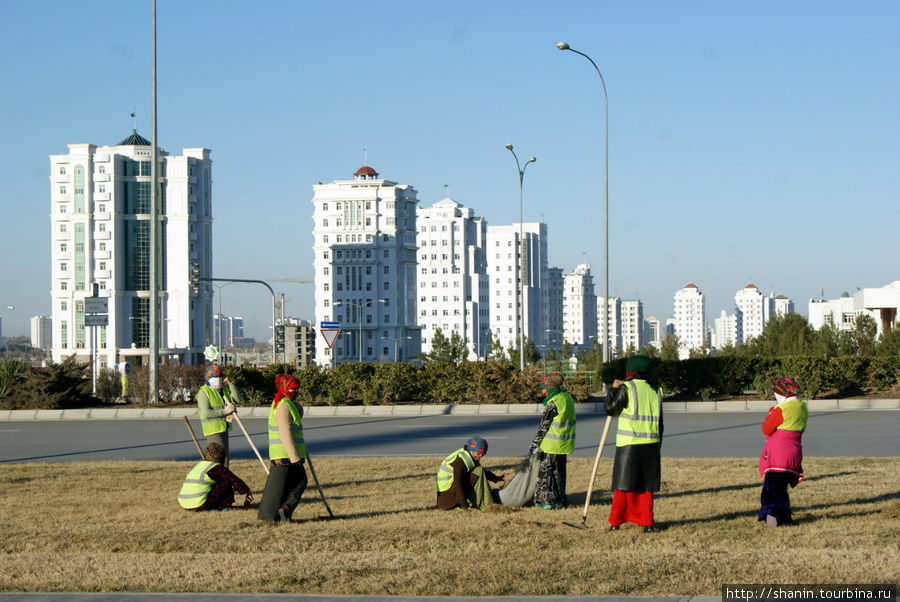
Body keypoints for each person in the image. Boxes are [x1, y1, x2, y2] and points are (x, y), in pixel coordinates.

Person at [604, 355, 663, 532]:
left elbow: (610, 409)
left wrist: (612, 390)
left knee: (624, 486)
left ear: (630, 372)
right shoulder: (657, 389)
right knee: (646, 487)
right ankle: (647, 523)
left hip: (629, 443)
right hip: (651, 442)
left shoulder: (626, 388)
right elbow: (660, 421)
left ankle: (616, 522)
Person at [758, 377, 808, 527]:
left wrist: (771, 413)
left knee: (772, 490)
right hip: (794, 452)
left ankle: (774, 520)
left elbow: (766, 428)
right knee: (782, 489)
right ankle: (785, 519)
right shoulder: (802, 408)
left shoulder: (782, 409)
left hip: (778, 454)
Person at [258, 373, 308, 522]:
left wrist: (297, 406)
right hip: (285, 455)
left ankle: (284, 512)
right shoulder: (283, 407)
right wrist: (295, 458)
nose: (295, 392)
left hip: (288, 455)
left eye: (297, 389)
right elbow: (285, 434)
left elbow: (297, 416)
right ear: (284, 388)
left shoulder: (286, 404)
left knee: (295, 484)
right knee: (296, 483)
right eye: (292, 389)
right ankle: (279, 513)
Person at [529, 371, 576, 509]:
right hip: (563, 444)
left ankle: (548, 502)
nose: (543, 391)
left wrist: (534, 444)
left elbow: (544, 426)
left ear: (551, 387)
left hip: (551, 445)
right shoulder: (567, 398)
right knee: (560, 475)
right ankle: (561, 500)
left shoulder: (553, 403)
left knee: (547, 476)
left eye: (545, 387)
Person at [178, 442, 252, 512]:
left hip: (185, 504)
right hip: (199, 505)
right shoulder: (216, 468)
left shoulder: (200, 465)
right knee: (226, 481)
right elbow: (235, 481)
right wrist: (248, 493)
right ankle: (224, 507)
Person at [436, 436, 505, 510]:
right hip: (447, 497)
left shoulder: (470, 456)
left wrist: (496, 478)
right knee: (478, 471)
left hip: (451, 492)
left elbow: (482, 472)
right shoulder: (459, 461)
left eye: (483, 454)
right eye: (478, 453)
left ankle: (484, 500)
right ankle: (482, 503)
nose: (480, 456)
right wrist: (464, 505)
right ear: (472, 450)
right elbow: (457, 482)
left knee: (478, 470)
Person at [195, 364, 239, 467]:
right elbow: (207, 413)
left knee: (225, 460)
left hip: (223, 428)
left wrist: (230, 384)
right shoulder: (204, 392)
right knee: (218, 461)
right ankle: (219, 481)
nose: (218, 380)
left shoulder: (222, 390)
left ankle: (224, 481)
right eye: (215, 377)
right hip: (213, 431)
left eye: (220, 377)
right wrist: (226, 411)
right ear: (208, 378)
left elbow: (237, 399)